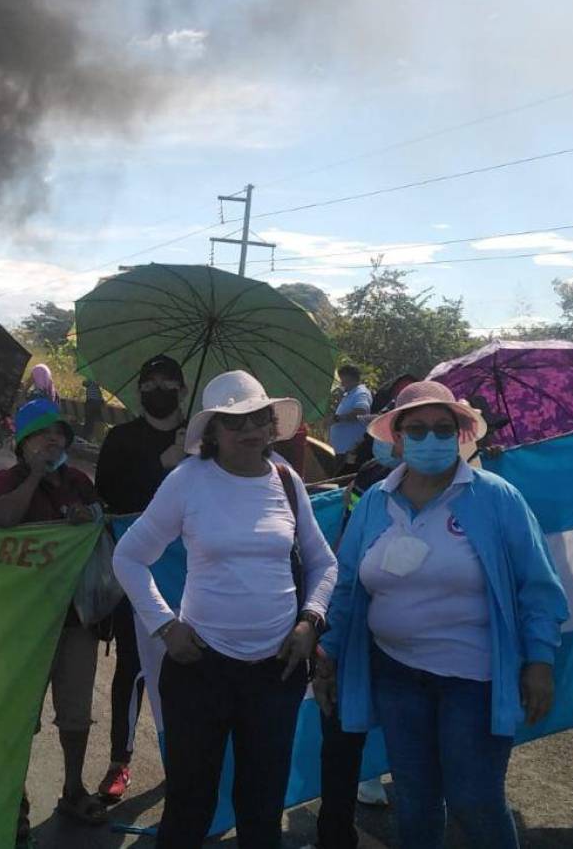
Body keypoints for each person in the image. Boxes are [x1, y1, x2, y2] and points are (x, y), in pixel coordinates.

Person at [316, 381, 567, 849]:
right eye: (417, 429)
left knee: (475, 800)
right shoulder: (375, 501)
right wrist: (328, 650)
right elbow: (348, 584)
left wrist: (539, 660)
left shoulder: (496, 498)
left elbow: (538, 585)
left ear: (460, 434)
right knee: (414, 799)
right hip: (395, 673)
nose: (430, 439)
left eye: (441, 429)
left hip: (474, 679)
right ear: (397, 437)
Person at [113, 370, 338, 848]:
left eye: (258, 418)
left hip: (276, 672)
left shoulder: (286, 478)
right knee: (190, 803)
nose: (250, 430)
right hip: (201, 669)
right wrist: (165, 626)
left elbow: (323, 563)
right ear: (211, 432)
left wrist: (309, 621)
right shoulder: (188, 480)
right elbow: (128, 557)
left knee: (262, 802)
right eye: (235, 422)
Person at [0, 398, 107, 840]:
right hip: (24, 624)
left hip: (76, 621)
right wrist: (36, 475)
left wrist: (86, 517)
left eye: (60, 434)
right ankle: (12, 800)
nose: (54, 440)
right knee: (21, 716)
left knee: (76, 714)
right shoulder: (7, 481)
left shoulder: (77, 481)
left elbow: (102, 525)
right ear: (22, 443)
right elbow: (1, 520)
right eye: (42, 434)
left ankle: (73, 789)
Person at [94, 354, 188, 802]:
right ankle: (120, 759)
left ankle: (186, 755)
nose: (158, 388)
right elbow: (109, 498)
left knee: (190, 668)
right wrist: (161, 464)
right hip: (138, 572)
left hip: (194, 574)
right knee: (131, 667)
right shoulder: (121, 439)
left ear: (183, 389)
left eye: (168, 381)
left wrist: (190, 454)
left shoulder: (205, 438)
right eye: (149, 382)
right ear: (139, 391)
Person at [308, 435, 399, 849]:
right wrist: (328, 648)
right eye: (407, 430)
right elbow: (346, 557)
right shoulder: (370, 482)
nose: (418, 442)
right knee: (342, 741)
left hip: (426, 657)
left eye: (439, 430)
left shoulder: (479, 492)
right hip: (357, 631)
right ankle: (335, 835)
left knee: (424, 756)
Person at [329, 365, 372, 474]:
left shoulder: (361, 393)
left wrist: (338, 418)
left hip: (350, 448)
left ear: (351, 378)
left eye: (343, 379)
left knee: (343, 478)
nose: (342, 383)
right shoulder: (350, 393)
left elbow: (361, 412)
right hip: (342, 449)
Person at [81, 376, 105, 440]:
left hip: (90, 402)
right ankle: (94, 436)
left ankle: (86, 436)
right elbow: (100, 396)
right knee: (96, 420)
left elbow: (84, 383)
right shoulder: (97, 385)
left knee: (89, 420)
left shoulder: (91, 380)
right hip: (98, 403)